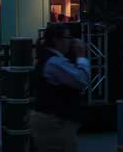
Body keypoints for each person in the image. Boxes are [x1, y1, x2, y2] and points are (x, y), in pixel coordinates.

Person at [32, 24, 90, 152]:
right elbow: (82, 80)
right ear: (56, 39)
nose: (70, 42)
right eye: (67, 38)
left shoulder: (50, 59)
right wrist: (81, 57)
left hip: (51, 121)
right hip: (55, 123)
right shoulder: (54, 62)